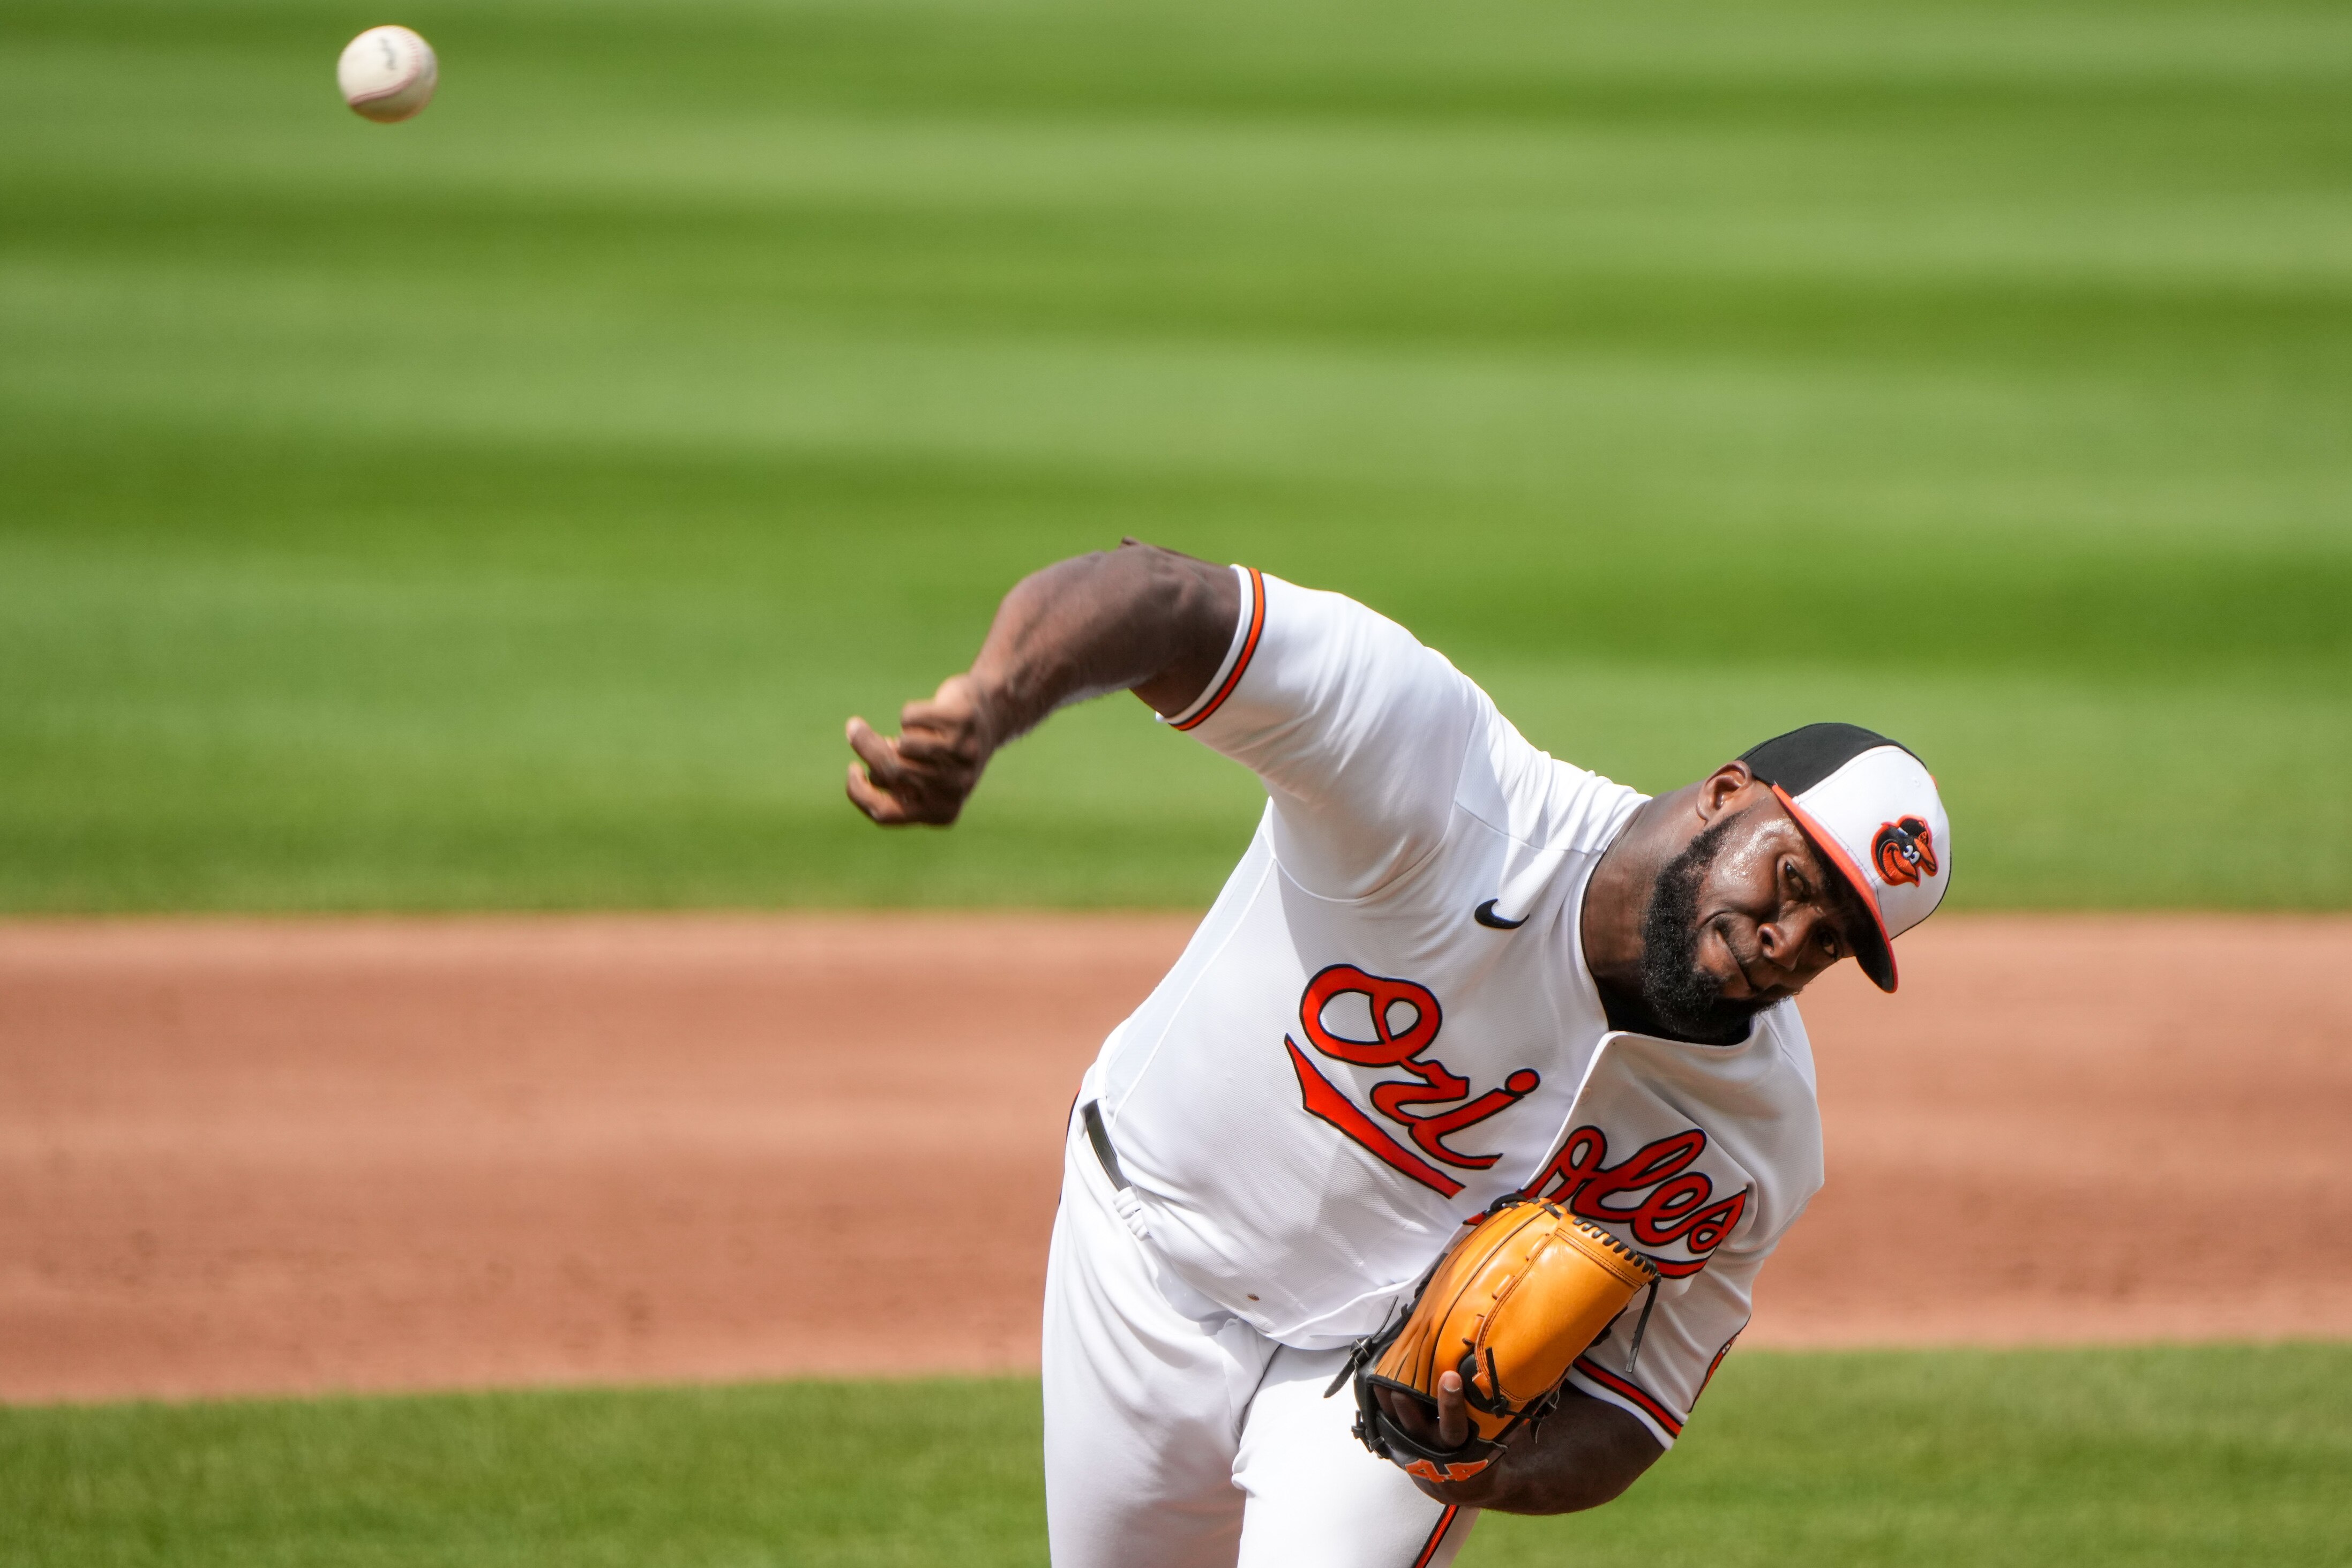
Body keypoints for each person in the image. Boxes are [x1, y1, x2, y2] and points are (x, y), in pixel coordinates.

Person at [844, 543, 1952, 1568]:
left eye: (1833, 944)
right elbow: (1167, 601)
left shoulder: (1753, 1138)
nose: (1785, 941)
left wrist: (1482, 1464)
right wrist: (992, 703)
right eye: (1794, 884)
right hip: (1138, 1253)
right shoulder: (1444, 787)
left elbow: (1637, 1403)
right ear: (1723, 795)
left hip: (1370, 1389)